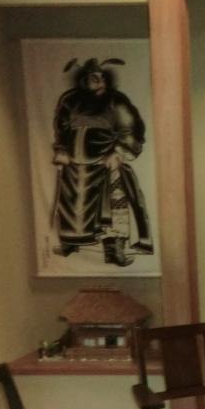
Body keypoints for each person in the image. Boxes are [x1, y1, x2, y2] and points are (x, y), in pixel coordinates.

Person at [50, 57, 153, 266]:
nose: (96, 81)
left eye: (100, 77)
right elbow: (61, 126)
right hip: (74, 164)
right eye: (92, 77)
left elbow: (131, 129)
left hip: (105, 161)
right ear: (84, 79)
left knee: (113, 207)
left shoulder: (117, 101)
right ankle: (71, 242)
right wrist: (62, 149)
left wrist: (118, 152)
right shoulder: (70, 100)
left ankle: (115, 250)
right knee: (71, 205)